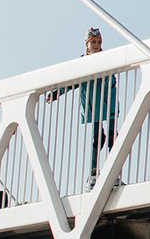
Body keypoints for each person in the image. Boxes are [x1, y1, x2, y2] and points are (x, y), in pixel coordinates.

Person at [46, 28, 118, 188]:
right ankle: (94, 172)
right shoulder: (83, 62)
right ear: (87, 43)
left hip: (108, 102)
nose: (96, 45)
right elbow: (74, 82)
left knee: (113, 137)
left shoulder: (107, 58)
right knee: (98, 137)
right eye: (93, 42)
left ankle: (114, 171)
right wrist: (58, 92)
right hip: (94, 104)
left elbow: (112, 78)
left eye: (98, 42)